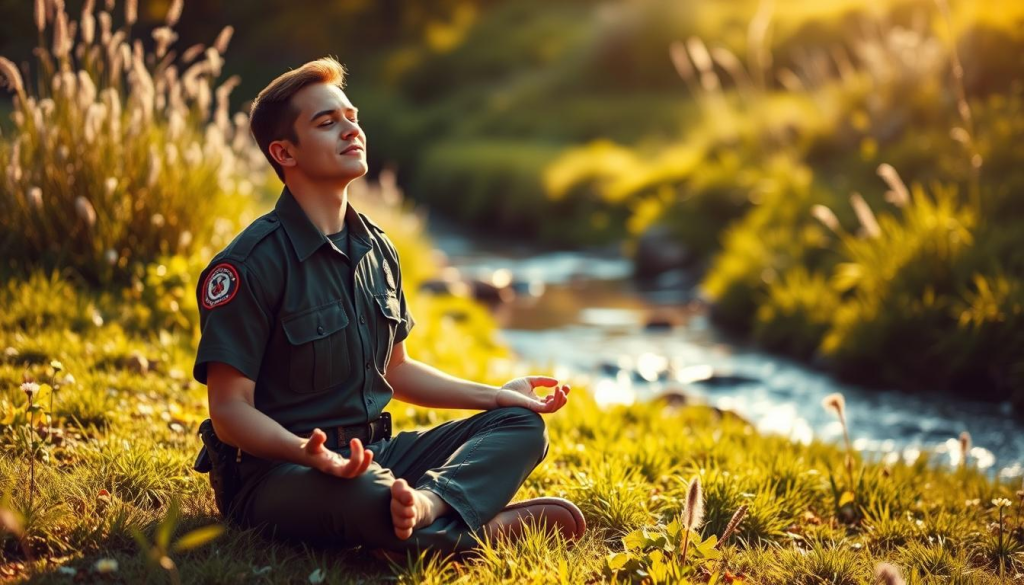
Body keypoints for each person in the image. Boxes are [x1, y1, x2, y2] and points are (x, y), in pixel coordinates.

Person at [191, 56, 586, 556]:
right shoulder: (250, 264)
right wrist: (310, 456)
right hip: (279, 474)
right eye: (326, 122)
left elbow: (395, 370)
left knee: (522, 426)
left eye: (352, 117)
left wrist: (497, 397)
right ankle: (479, 530)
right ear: (283, 152)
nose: (350, 129)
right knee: (371, 498)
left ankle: (428, 507)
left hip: (375, 456)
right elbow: (229, 411)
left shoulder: (378, 249)